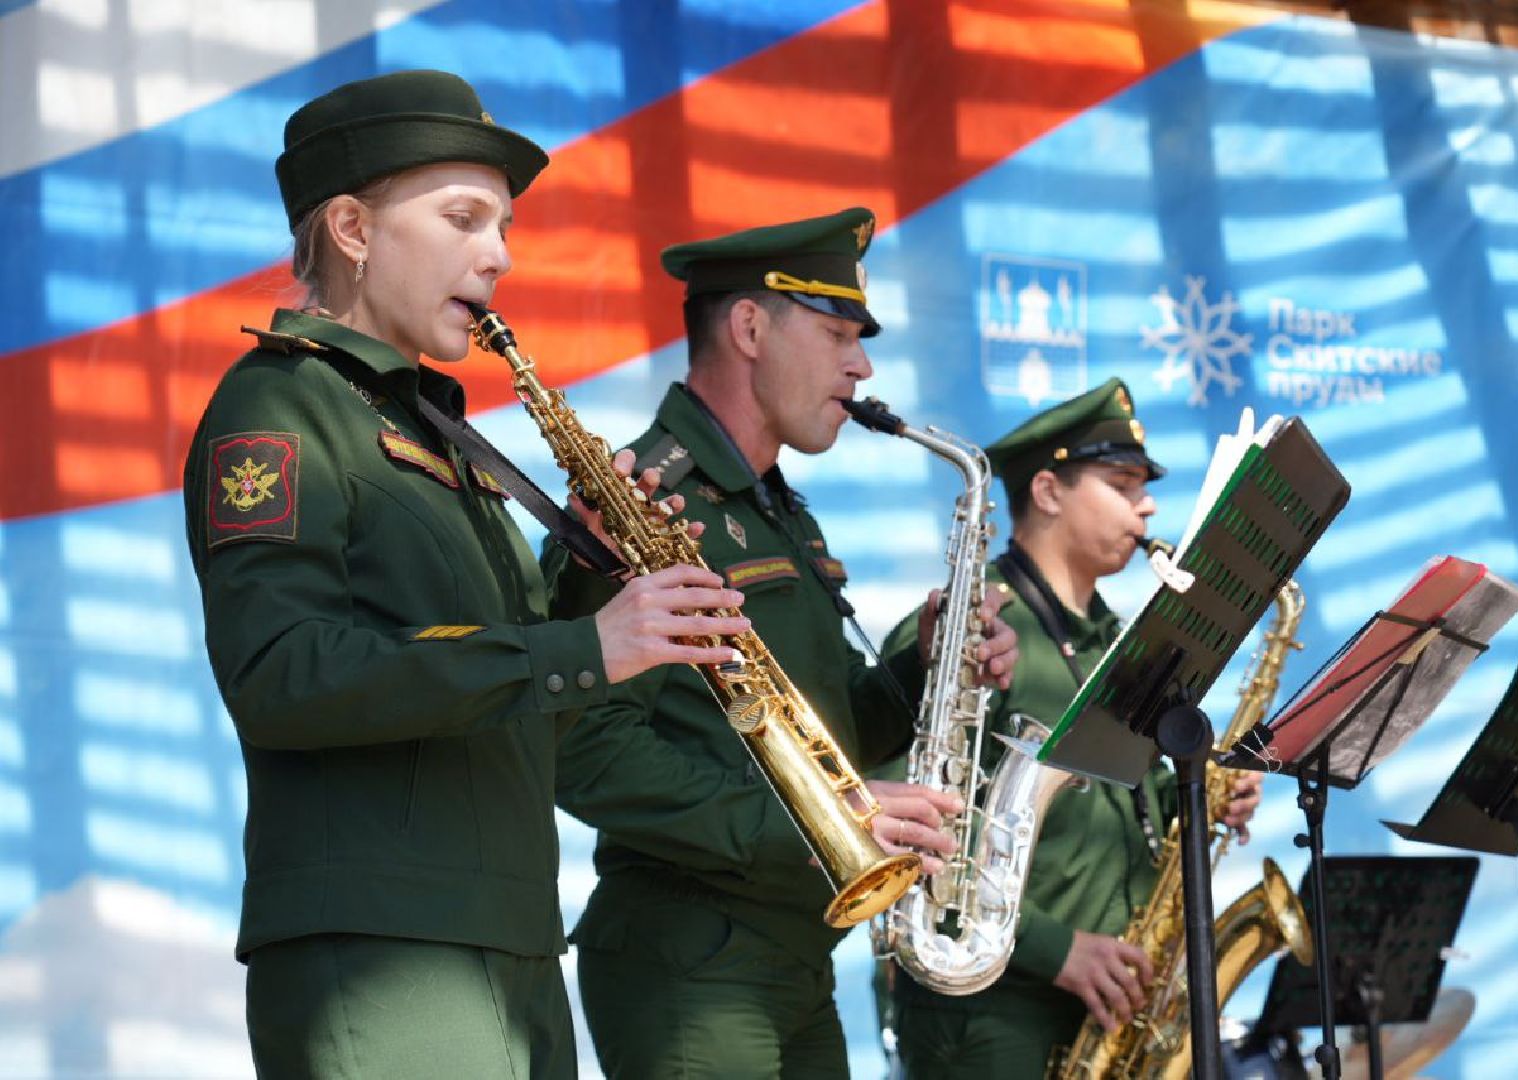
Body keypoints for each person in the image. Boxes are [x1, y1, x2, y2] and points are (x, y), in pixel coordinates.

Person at [182, 69, 749, 1079]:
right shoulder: (278, 407)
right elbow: (281, 674)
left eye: (505, 225)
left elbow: (515, 701)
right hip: (383, 956)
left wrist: (598, 596)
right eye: (463, 217)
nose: (500, 255)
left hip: (517, 948)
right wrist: (584, 646)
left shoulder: (441, 436)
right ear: (352, 230)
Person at [543, 207, 1018, 1079]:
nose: (862, 364)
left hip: (790, 957)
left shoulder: (779, 510)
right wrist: (817, 824)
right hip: (690, 962)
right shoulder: (641, 502)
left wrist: (931, 667)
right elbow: (584, 753)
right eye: (837, 331)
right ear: (750, 327)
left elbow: (830, 739)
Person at [882, 379, 1263, 1078]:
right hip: (990, 1019)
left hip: (1109, 1010)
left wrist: (1201, 792)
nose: (1145, 505)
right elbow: (898, 840)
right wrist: (1056, 949)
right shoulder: (971, 628)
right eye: (1121, 483)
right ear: (1049, 491)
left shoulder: (1121, 640)